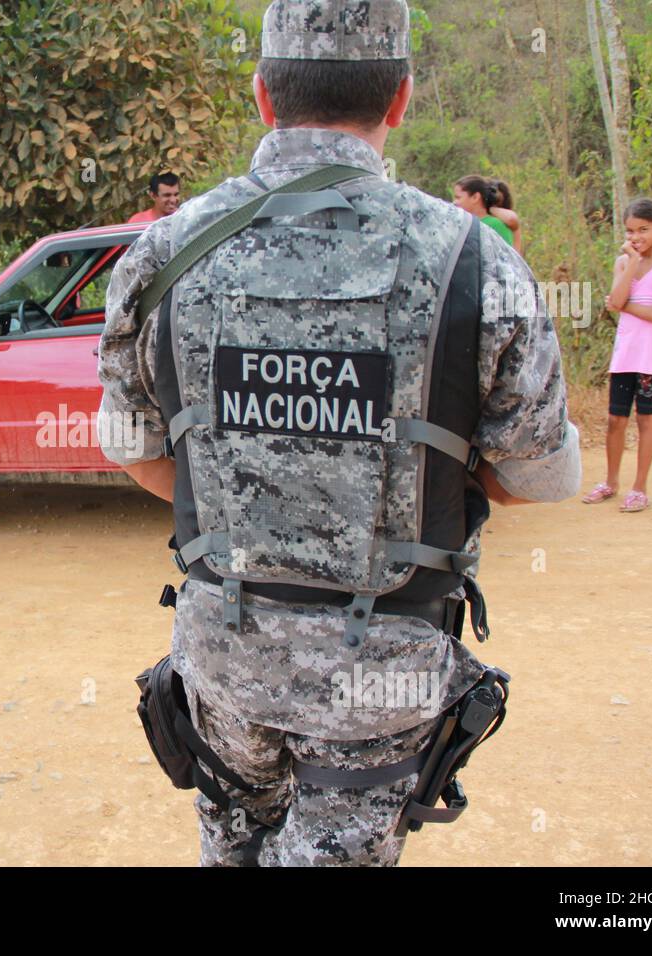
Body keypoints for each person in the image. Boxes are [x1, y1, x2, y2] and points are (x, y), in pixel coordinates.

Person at [98, 0, 580, 866]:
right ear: (400, 99)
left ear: (261, 95)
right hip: (383, 675)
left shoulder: (159, 252)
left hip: (225, 661)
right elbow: (534, 475)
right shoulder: (475, 257)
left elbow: (137, 452)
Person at [583, 198, 652, 513]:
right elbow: (615, 296)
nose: (636, 237)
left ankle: (639, 488)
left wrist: (623, 306)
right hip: (627, 351)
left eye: (643, 230)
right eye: (630, 231)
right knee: (616, 419)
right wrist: (630, 265)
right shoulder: (623, 262)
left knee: (645, 418)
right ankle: (610, 482)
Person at [452, 175, 521, 251]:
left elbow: (506, 259)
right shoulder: (460, 223)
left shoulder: (495, 225)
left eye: (458, 197)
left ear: (475, 197)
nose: (454, 202)